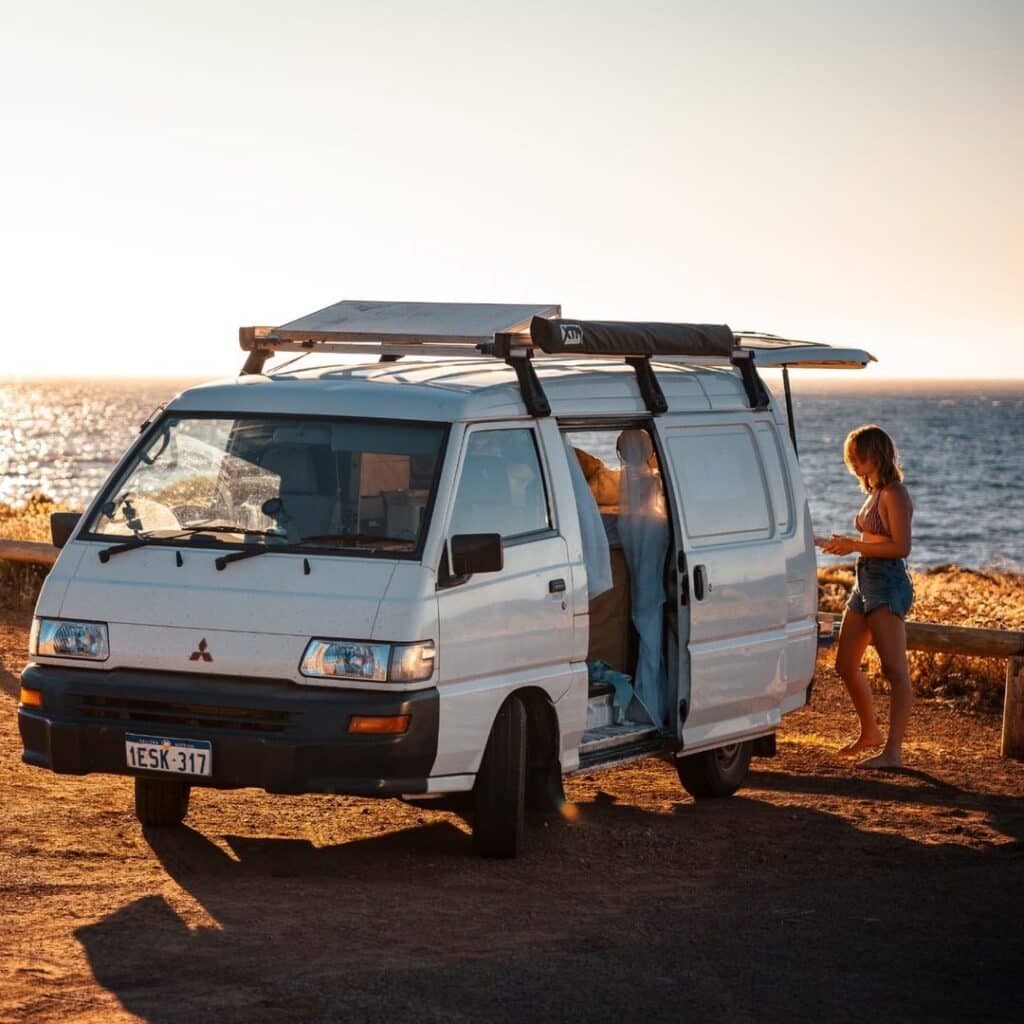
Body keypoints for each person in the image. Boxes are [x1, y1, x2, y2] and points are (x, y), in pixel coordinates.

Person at [820, 425, 915, 768]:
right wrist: (845, 546)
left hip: (886, 582)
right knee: (845, 665)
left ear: (877, 454)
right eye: (851, 457)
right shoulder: (873, 491)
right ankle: (870, 732)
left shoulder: (894, 493)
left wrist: (855, 544)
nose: (854, 462)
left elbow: (901, 548)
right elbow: (877, 540)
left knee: (894, 669)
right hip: (865, 580)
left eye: (859, 455)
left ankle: (893, 752)